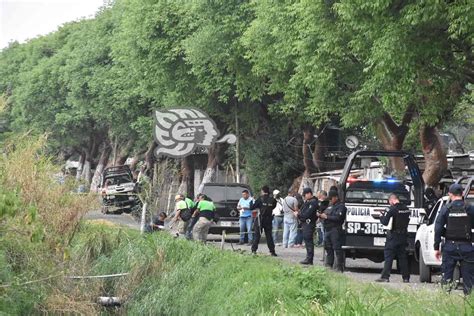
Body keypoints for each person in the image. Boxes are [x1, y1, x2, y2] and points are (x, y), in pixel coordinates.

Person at [434, 183, 474, 295]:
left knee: (446, 278)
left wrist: (436, 247)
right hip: (467, 246)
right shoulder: (470, 208)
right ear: (462, 194)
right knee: (469, 280)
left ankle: (445, 301)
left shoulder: (446, 208)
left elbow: (438, 228)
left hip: (450, 246)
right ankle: (469, 304)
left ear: (450, 194)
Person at [375, 193, 411, 282]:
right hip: (403, 236)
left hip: (394, 236)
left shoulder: (392, 209)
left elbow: (385, 222)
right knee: (402, 257)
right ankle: (406, 277)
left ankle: (385, 277)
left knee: (388, 256)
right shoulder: (406, 209)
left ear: (391, 200)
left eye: (389, 202)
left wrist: (381, 216)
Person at [320, 190, 346, 272]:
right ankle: (329, 264)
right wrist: (321, 215)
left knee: (337, 249)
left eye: (331, 199)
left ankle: (339, 267)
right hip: (328, 229)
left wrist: (327, 217)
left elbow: (338, 218)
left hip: (336, 229)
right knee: (328, 248)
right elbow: (325, 213)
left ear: (336, 197)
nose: (330, 200)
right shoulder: (330, 206)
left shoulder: (341, 207)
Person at [250, 186, 277, 256]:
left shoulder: (260, 199)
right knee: (269, 236)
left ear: (262, 191)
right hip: (269, 219)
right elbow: (273, 207)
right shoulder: (273, 200)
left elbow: (252, 207)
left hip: (260, 220)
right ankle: (272, 251)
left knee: (257, 235)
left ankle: (253, 250)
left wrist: (252, 201)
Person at [297, 188, 319, 265]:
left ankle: (309, 259)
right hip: (305, 223)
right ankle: (308, 257)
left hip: (309, 223)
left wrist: (299, 215)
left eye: (305, 194)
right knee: (307, 240)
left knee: (309, 241)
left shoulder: (313, 202)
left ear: (309, 193)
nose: (305, 196)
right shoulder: (308, 202)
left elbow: (307, 214)